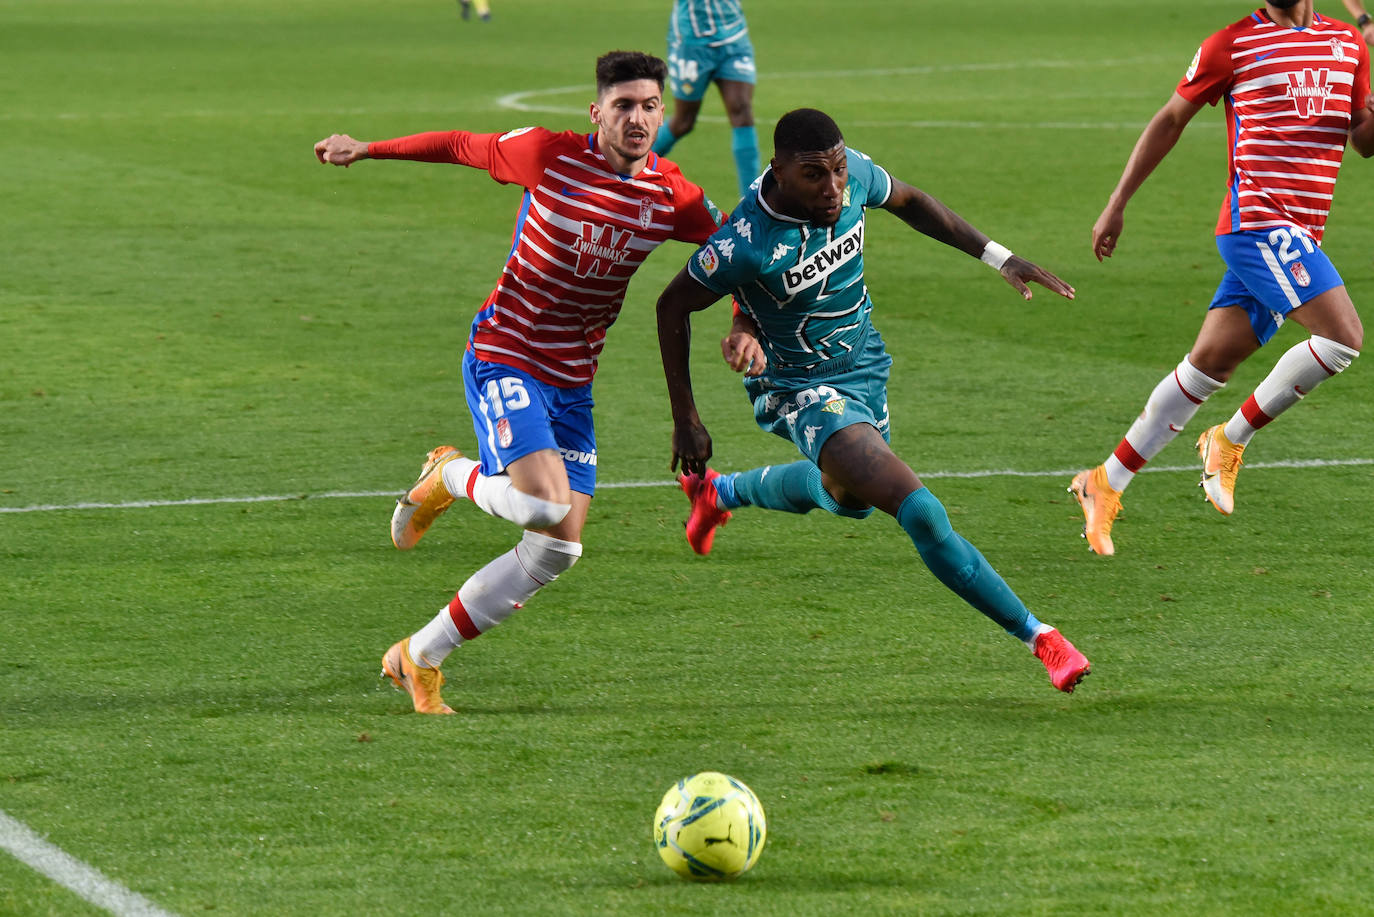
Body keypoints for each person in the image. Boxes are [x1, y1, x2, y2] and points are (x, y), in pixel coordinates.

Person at [315, 51, 723, 714]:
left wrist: (745, 323)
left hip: (573, 382)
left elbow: (733, 253)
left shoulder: (671, 195)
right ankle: (451, 475)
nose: (638, 118)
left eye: (650, 106)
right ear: (596, 113)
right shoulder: (546, 155)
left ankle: (418, 657)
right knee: (541, 506)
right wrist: (367, 148)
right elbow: (460, 144)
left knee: (558, 549)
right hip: (505, 354)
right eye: (623, 106)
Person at [656, 108, 1091, 693]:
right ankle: (1041, 637)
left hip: (863, 363)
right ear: (779, 171)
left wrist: (1000, 257)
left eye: (837, 170)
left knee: (850, 498)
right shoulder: (745, 239)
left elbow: (912, 201)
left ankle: (718, 493)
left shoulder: (853, 175)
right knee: (920, 510)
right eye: (814, 175)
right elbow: (672, 305)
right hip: (799, 388)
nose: (833, 187)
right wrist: (686, 415)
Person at [1070, 0, 1374, 556]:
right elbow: (1170, 120)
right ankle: (1230, 439)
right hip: (1257, 224)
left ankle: (1104, 482)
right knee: (1342, 338)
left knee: (1208, 365)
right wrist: (1117, 203)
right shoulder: (1230, 44)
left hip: (1303, 233)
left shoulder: (1348, 44)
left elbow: (1364, 140)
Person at [651, 0, 760, 201]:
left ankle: (751, 201)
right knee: (684, 122)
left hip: (733, 35)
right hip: (692, 42)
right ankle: (629, 165)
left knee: (742, 110)